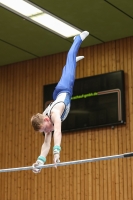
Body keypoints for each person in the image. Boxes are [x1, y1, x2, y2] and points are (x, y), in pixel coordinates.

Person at [31, 31, 89, 173]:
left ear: (46, 119)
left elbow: (57, 133)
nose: (46, 131)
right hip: (57, 96)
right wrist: (39, 162)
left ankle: (77, 39)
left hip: (64, 89)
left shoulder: (55, 115)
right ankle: (71, 64)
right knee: (68, 69)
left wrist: (57, 153)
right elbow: (46, 144)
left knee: (69, 58)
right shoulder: (46, 124)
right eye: (44, 131)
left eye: (44, 129)